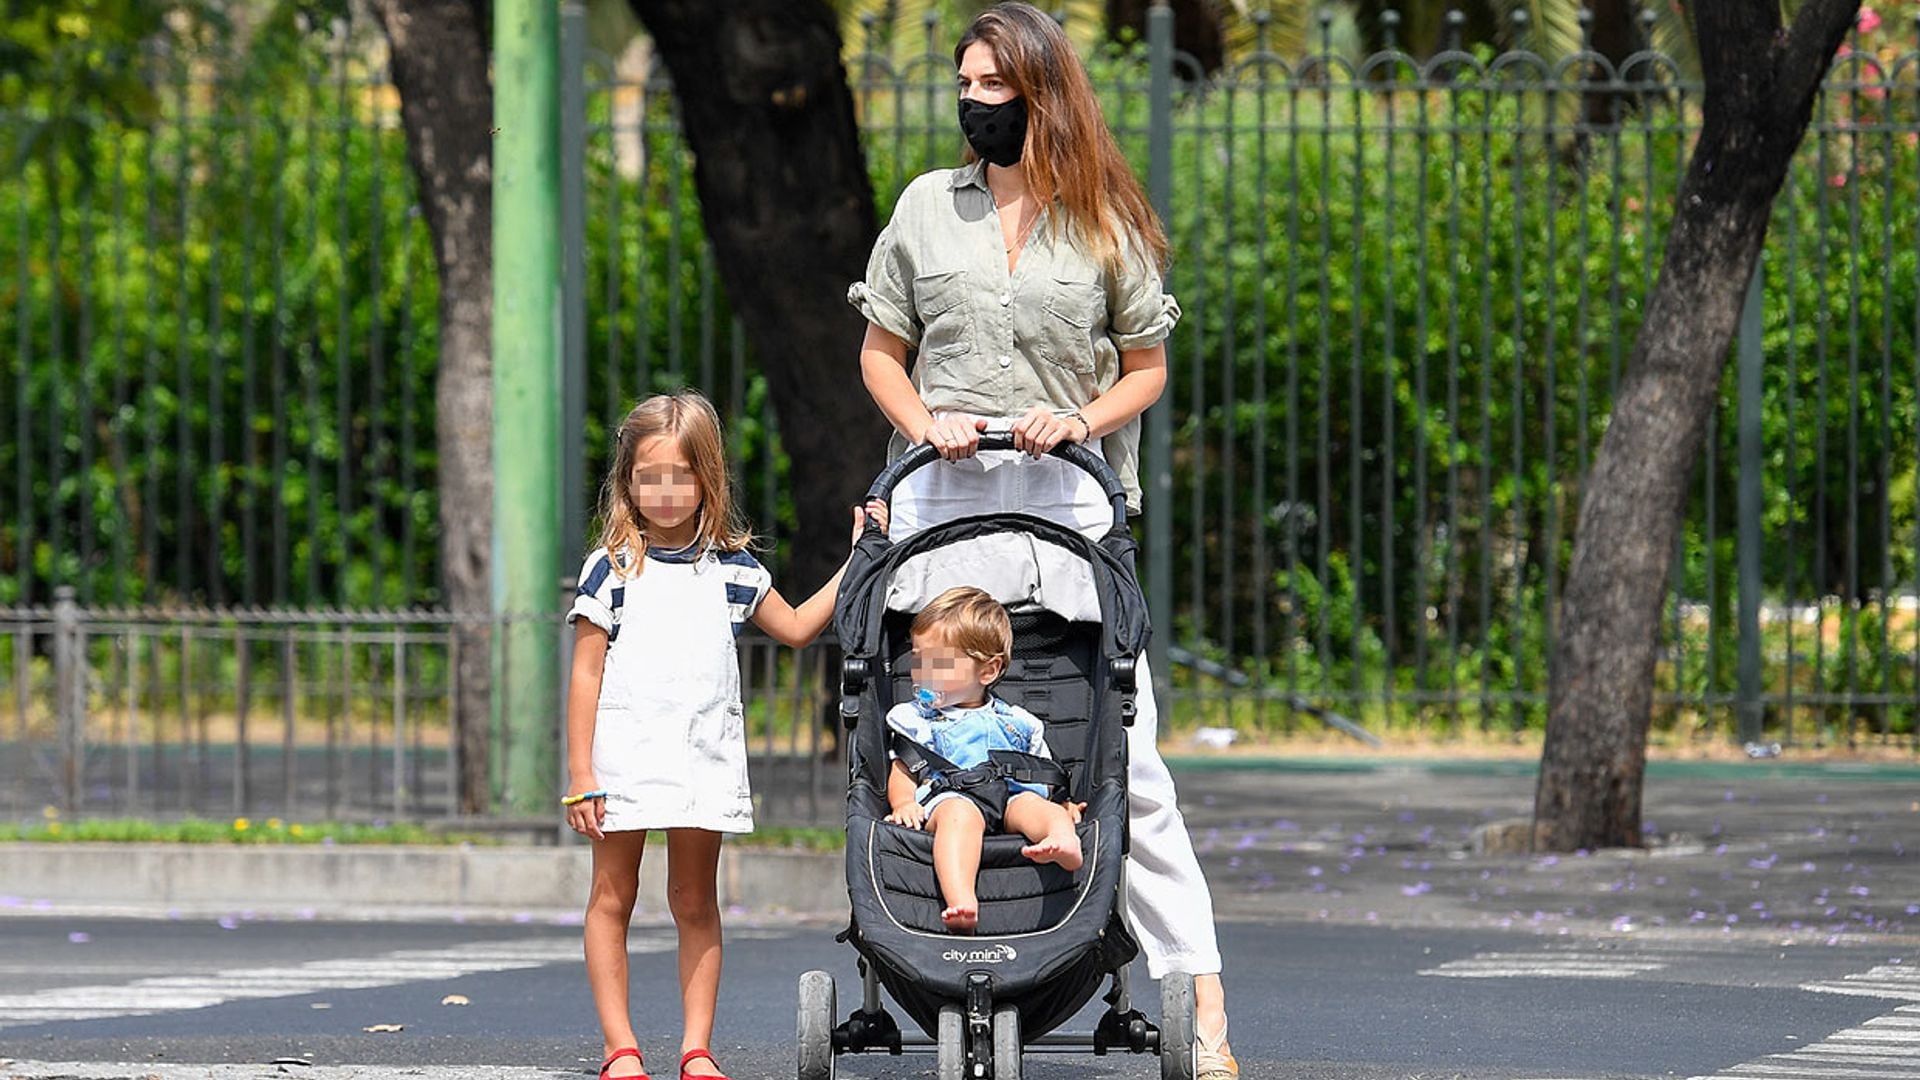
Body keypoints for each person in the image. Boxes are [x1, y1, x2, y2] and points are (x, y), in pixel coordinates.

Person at [846, 5, 1238, 1077]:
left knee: (1132, 764)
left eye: (988, 87)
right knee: (918, 741)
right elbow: (882, 352)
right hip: (942, 516)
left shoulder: (1105, 221)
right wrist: (925, 421)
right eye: (962, 85)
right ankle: (935, 947)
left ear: (1040, 94)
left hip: (1069, 517)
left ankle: (1204, 1012)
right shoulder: (927, 208)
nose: (969, 103)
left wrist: (1084, 419)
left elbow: (1146, 368)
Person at [561, 391, 886, 1080]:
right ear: (627, 481)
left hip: (701, 756)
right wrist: (579, 773)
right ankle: (620, 1048)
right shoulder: (610, 567)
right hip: (622, 760)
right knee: (612, 897)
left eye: (681, 475)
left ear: (708, 478)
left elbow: (797, 628)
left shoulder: (734, 569)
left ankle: (696, 1049)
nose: (665, 491)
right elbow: (585, 675)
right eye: (648, 475)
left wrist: (860, 559)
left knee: (694, 901)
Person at [882, 586, 1084, 932]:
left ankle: (1063, 841)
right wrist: (903, 802)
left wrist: (1060, 805)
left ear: (988, 671)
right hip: (949, 799)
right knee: (960, 818)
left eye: (938, 664)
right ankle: (961, 900)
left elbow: (1040, 769)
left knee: (1038, 808)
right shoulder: (916, 719)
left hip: (1008, 798)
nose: (922, 672)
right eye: (918, 659)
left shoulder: (1017, 720)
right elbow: (904, 765)